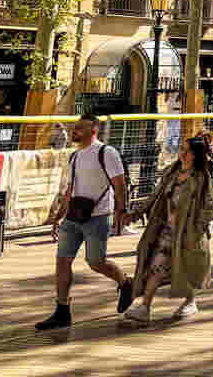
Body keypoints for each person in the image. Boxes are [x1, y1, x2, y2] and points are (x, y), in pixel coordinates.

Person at [36, 114, 134, 330]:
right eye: (76, 127)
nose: (75, 131)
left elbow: (119, 184)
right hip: (73, 216)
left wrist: (121, 211)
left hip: (97, 216)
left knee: (96, 262)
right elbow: (71, 189)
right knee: (62, 261)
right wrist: (59, 215)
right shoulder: (75, 157)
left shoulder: (106, 152)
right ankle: (62, 311)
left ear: (93, 131)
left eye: (80, 128)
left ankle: (125, 282)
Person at [120, 136, 213, 324]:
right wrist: (137, 213)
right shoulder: (172, 171)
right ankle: (145, 307)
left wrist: (199, 228)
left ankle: (189, 301)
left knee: (185, 268)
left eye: (187, 151)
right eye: (181, 149)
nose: (182, 153)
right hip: (165, 230)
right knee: (156, 265)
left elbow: (208, 206)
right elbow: (156, 195)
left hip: (186, 233)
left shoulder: (201, 178)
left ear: (196, 155)